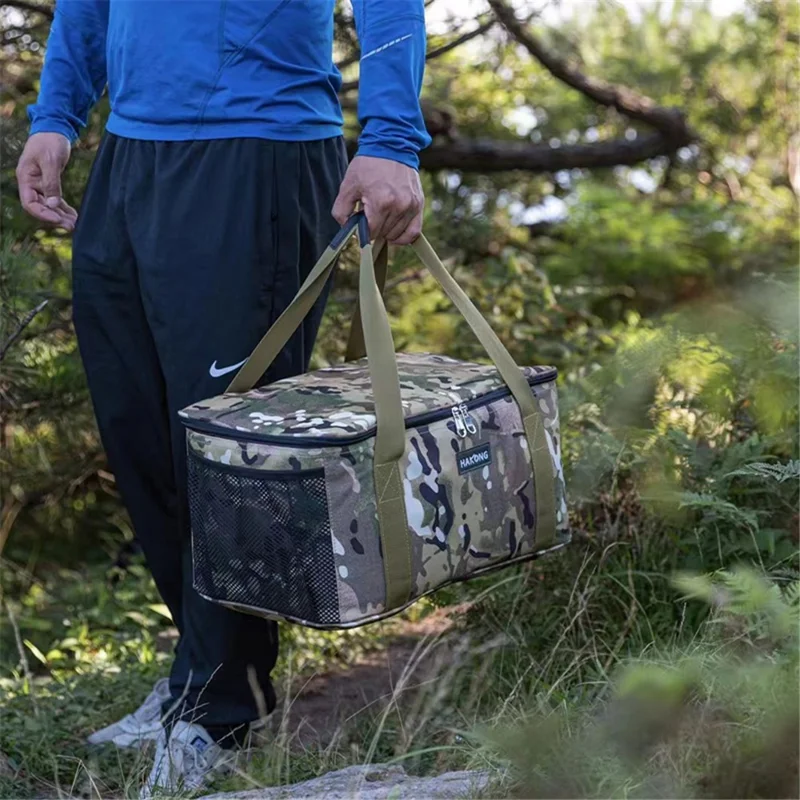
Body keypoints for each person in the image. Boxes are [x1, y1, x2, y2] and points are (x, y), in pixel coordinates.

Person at [16, 1, 430, 794]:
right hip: (131, 155)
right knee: (139, 430)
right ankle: (202, 670)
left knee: (227, 447)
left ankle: (219, 709)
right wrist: (58, 113)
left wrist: (388, 140)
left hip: (257, 148)